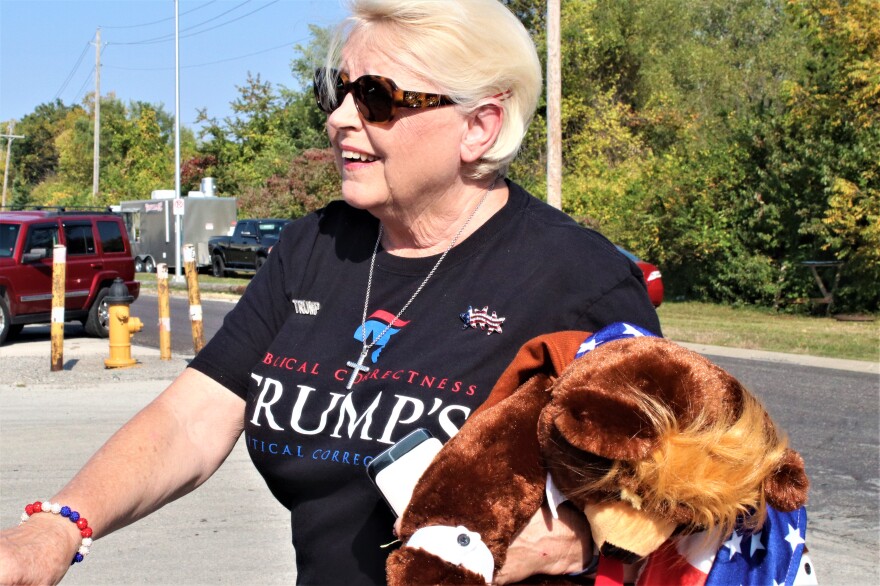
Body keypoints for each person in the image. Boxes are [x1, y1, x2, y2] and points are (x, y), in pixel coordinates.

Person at [0, 0, 661, 584]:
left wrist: (570, 542)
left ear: (479, 126)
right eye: (335, 89)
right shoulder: (315, 247)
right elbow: (191, 420)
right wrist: (59, 527)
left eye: (376, 97)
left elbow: (686, 486)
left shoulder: (576, 278)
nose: (340, 117)